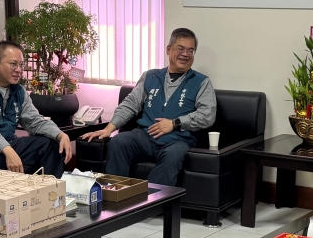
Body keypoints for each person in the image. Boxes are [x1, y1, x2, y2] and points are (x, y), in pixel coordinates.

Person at [81, 28, 216, 186]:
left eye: (190, 50)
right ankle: (115, 193)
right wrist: (109, 128)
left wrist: (175, 123)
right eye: (180, 48)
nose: (185, 54)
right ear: (168, 49)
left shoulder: (201, 82)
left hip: (177, 141)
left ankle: (150, 199)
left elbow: (207, 115)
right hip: (144, 137)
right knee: (118, 142)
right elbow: (131, 103)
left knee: (174, 157)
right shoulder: (150, 76)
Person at [0, 40, 74, 177]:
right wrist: (7, 150)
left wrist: (60, 134)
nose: (19, 70)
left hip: (8, 144)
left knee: (50, 145)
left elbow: (34, 121)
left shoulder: (19, 91)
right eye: (13, 64)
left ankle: (51, 190)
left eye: (21, 65)